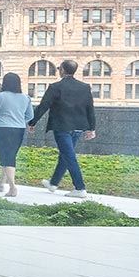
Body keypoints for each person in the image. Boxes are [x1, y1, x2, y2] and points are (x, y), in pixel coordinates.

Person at [29, 59, 97, 197]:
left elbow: (43, 106)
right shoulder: (84, 87)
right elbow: (90, 109)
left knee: (69, 155)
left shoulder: (55, 87)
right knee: (65, 154)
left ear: (62, 70)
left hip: (62, 127)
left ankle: (80, 188)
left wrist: (32, 122)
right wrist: (92, 128)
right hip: (78, 127)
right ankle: (53, 183)